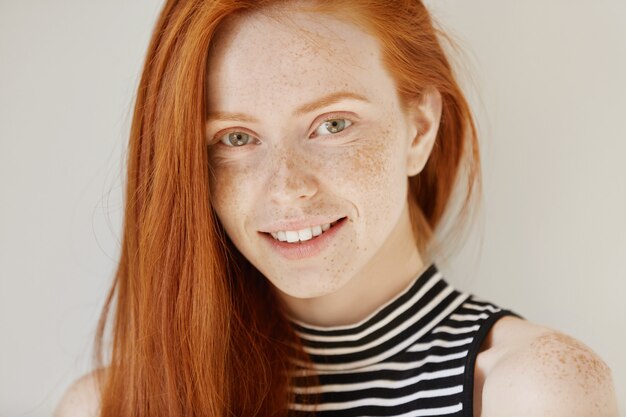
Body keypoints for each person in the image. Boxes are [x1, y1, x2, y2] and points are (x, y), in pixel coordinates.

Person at [54, 0, 619, 416]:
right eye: (235, 138)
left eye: (333, 124)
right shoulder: (112, 406)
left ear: (419, 129)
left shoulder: (533, 391)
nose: (286, 188)